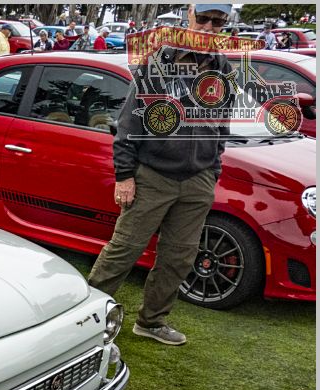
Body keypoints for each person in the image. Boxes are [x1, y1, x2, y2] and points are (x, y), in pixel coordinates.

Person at [87, 3, 233, 346]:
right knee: (123, 250)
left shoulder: (223, 68)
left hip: (197, 179)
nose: (211, 27)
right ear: (189, 18)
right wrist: (125, 176)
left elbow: (221, 124)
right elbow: (128, 125)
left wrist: (213, 169)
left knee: (180, 257)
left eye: (219, 21)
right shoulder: (159, 63)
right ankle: (87, 320)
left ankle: (151, 321)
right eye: (205, 18)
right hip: (153, 175)